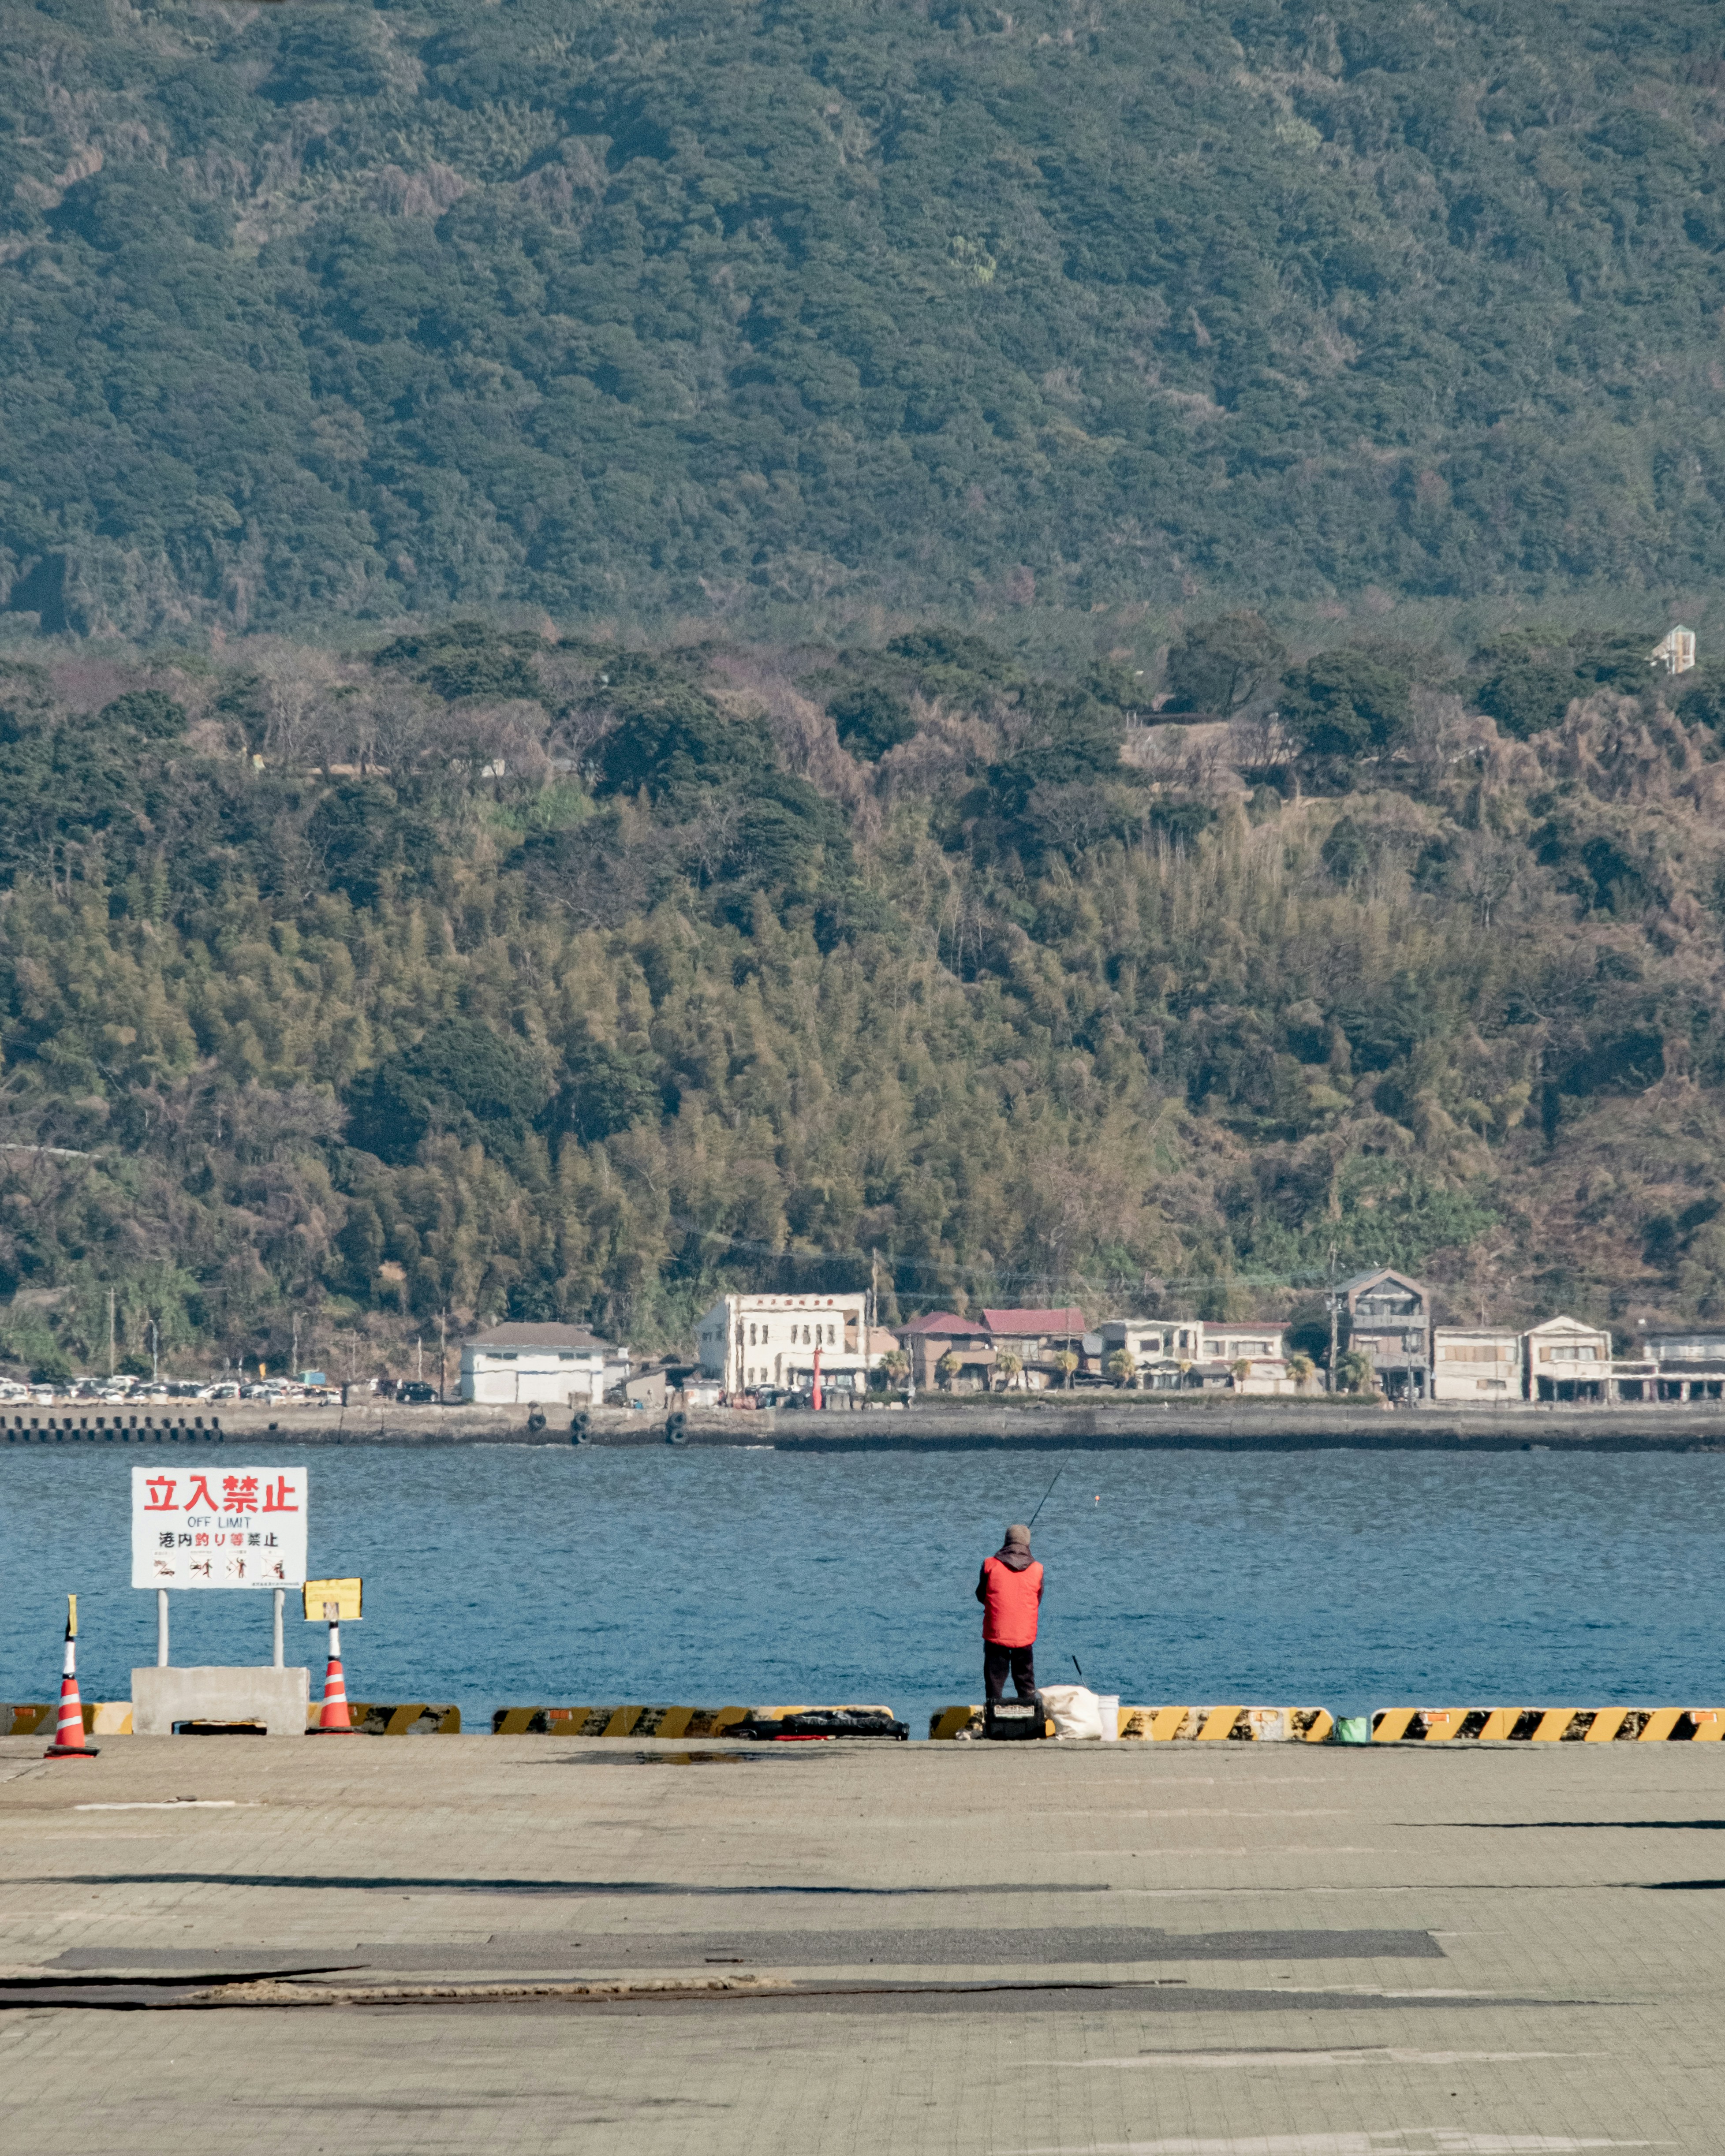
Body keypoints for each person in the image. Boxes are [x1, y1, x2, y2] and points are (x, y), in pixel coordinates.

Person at [976, 1522, 1044, 1701]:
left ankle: (994, 1710)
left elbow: (980, 1595)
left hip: (996, 1633)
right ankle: (1030, 1711)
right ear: (1027, 1544)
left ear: (1007, 1541)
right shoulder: (1038, 1569)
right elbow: (1037, 1599)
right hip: (1024, 1636)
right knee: (1025, 1679)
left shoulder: (989, 1565)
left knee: (995, 1679)